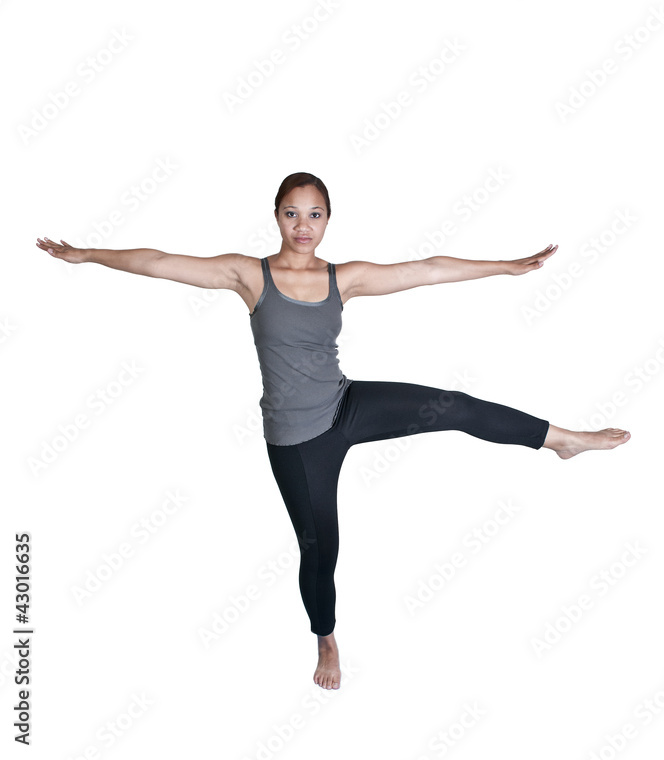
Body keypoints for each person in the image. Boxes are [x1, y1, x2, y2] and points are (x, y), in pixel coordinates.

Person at [36, 170, 631, 691]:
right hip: (298, 441)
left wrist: (505, 266)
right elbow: (160, 262)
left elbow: (426, 269)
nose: (303, 225)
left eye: (314, 215)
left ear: (327, 221)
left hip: (347, 404)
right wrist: (88, 255)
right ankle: (325, 637)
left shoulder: (343, 277)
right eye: (292, 213)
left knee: (452, 405)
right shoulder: (248, 275)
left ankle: (561, 441)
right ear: (276, 217)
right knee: (322, 552)